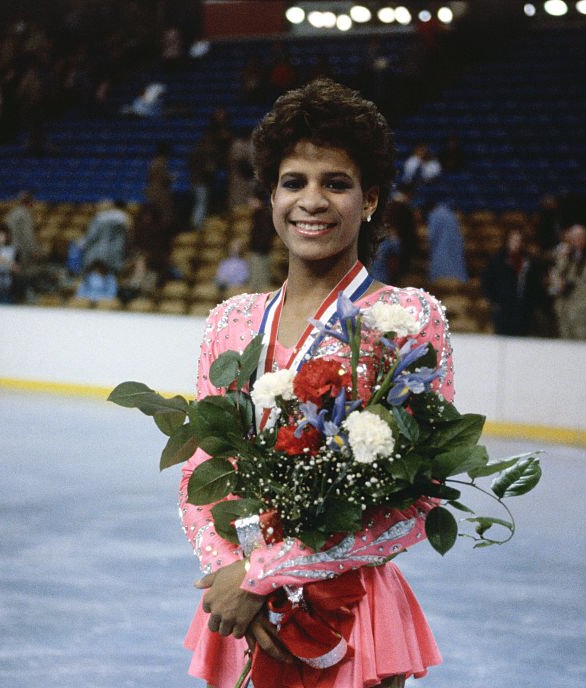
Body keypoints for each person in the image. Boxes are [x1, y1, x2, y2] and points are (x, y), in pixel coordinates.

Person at [181, 78, 449, 688]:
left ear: (371, 199)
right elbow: (208, 472)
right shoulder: (233, 323)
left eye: (336, 183)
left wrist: (266, 574)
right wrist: (241, 567)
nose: (313, 201)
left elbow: (418, 496)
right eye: (293, 182)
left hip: (352, 613)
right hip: (249, 611)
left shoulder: (405, 322)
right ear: (271, 196)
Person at [482, 227, 541, 336]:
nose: (516, 244)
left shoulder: (529, 261)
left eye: (519, 241)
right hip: (503, 311)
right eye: (513, 240)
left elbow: (535, 286)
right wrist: (494, 302)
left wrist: (531, 306)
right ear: (507, 241)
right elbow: (486, 282)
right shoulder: (497, 260)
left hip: (523, 312)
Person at [425, 199, 468, 285]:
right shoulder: (450, 213)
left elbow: (432, 236)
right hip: (454, 247)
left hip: (440, 249)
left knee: (440, 273)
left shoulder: (434, 214)